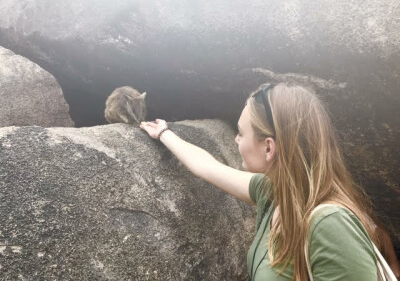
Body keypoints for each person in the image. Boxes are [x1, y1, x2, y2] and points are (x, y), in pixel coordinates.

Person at [140, 81, 399, 280]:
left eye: (241, 133)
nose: (236, 140)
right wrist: (164, 132)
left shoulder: (329, 225)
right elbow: (206, 167)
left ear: (268, 148)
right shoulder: (274, 193)